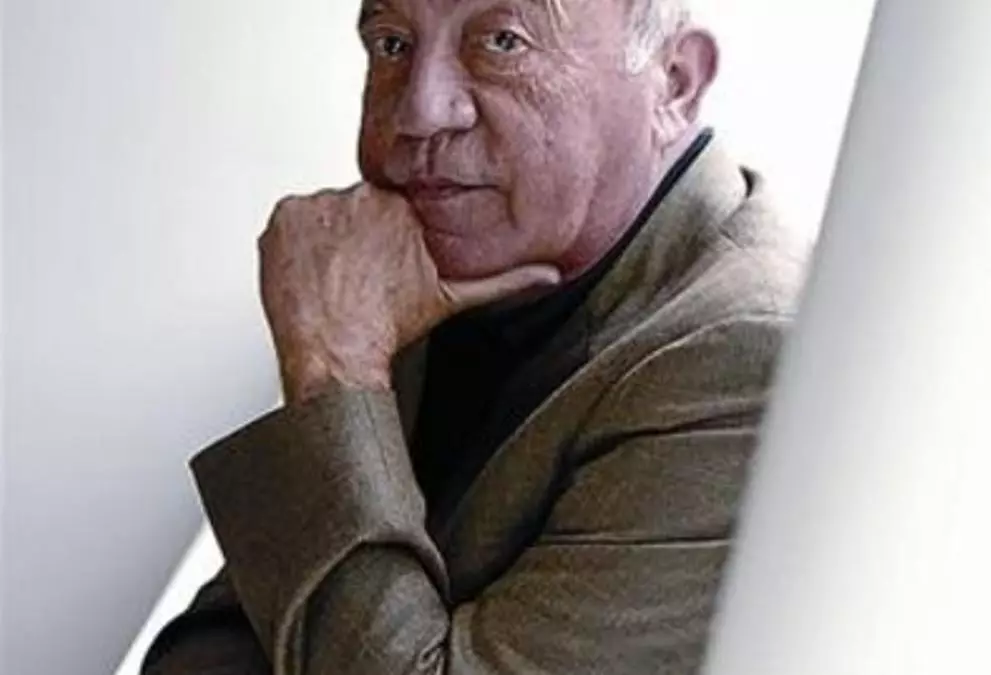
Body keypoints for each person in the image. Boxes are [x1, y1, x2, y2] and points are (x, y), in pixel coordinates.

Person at [143, 0, 807, 672]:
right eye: (392, 44)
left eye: (502, 41)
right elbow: (220, 639)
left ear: (674, 83)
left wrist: (332, 370)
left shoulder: (751, 364)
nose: (419, 112)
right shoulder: (456, 242)